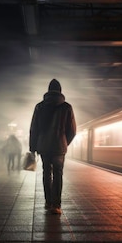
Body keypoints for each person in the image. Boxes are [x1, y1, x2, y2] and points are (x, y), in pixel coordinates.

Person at [29, 79, 76, 215]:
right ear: (60, 91)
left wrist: (33, 148)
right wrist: (63, 142)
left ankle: (48, 201)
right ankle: (56, 205)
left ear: (48, 91)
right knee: (58, 175)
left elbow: (34, 129)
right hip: (59, 148)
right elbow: (72, 130)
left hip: (43, 147)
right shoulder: (67, 107)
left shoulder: (39, 106)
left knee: (46, 174)